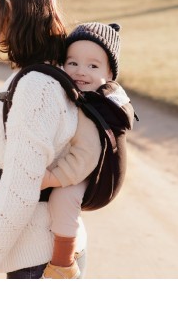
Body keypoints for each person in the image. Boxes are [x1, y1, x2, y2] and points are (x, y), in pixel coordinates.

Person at [0, 0, 88, 279]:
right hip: (43, 256)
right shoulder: (45, 71)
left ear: (7, 9)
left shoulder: (37, 87)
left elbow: (19, 195)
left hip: (39, 263)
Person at [40, 22, 134, 279]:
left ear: (110, 76)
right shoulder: (73, 92)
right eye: (72, 63)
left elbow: (86, 155)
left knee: (63, 197)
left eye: (93, 66)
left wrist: (53, 178)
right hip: (85, 163)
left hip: (95, 175)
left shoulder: (92, 107)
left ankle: (62, 263)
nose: (81, 72)